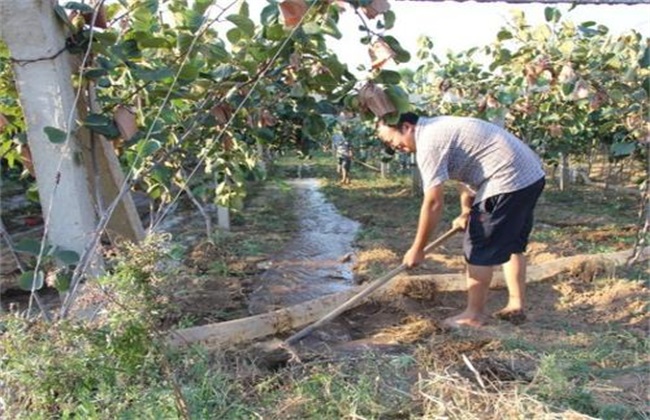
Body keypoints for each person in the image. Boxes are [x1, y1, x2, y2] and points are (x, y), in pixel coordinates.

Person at [376, 112, 545, 329]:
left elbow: (434, 203)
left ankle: (474, 315)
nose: (395, 147)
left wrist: (417, 248)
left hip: (506, 178)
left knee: (478, 244)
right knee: (512, 243)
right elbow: (465, 173)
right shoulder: (440, 128)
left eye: (392, 141)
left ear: (407, 127)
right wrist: (466, 210)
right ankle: (516, 304)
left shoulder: (428, 142)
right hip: (529, 175)